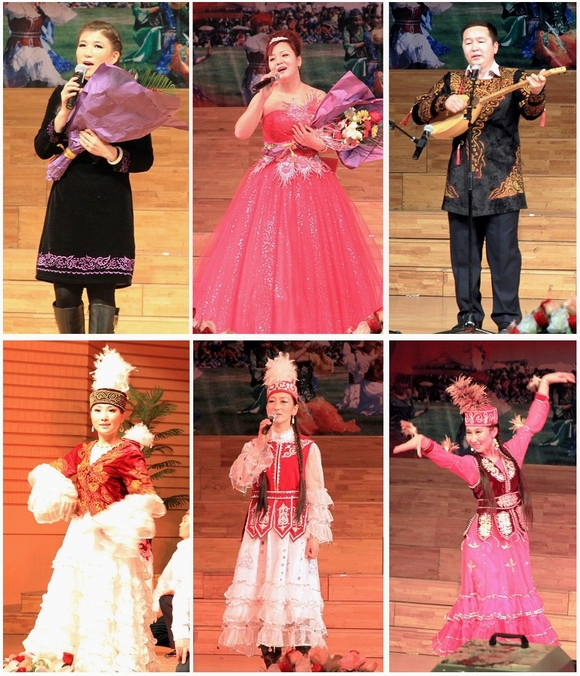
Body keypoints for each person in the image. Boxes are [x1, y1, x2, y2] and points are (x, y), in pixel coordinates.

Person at [193, 29, 382, 334]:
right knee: (269, 254)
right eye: (272, 58)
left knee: (312, 256)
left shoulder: (319, 98)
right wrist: (261, 96)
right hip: (270, 183)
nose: (278, 61)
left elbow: (335, 142)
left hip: (312, 184)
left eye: (284, 55)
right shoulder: (266, 96)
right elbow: (241, 132)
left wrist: (317, 143)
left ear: (298, 60)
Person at [393, 371, 575, 655]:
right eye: (469, 432)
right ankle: (484, 659)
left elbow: (531, 426)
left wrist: (545, 385)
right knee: (491, 598)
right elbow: (448, 460)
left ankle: (508, 657)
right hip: (485, 542)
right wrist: (425, 444)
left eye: (479, 432)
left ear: (494, 431)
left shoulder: (513, 452)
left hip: (514, 538)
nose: (473, 438)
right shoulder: (471, 465)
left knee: (512, 597)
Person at [23, 346, 166, 671]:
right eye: (98, 409)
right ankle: (65, 663)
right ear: (91, 414)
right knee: (73, 600)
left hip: (111, 541)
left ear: (122, 415)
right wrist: (67, 494)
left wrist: (110, 521)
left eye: (111, 410)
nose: (104, 416)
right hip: (80, 538)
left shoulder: (128, 452)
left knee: (106, 604)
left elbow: (145, 495)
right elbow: (50, 472)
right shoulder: (83, 451)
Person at [411, 21, 547, 333]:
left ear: (495, 46)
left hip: (502, 182)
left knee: (504, 258)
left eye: (481, 41)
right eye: (468, 42)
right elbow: (418, 112)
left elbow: (531, 112)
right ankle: (468, 319)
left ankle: (507, 321)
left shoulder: (514, 78)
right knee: (464, 259)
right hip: (462, 184)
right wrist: (443, 101)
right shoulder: (454, 80)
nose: (474, 47)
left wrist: (537, 92)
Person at [34, 21, 155, 334]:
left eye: (97, 46)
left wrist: (109, 152)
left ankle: (100, 355)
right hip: (68, 201)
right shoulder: (63, 93)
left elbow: (144, 159)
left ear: (113, 57)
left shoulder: (131, 98)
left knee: (102, 290)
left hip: (108, 202)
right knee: (64, 292)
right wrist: (62, 114)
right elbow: (42, 148)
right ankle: (72, 350)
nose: (87, 52)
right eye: (83, 45)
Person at [218, 353, 333, 666]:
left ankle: (299, 664)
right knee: (263, 597)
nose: (277, 407)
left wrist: (315, 536)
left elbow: (316, 494)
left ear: (295, 408)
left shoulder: (308, 448)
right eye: (272, 402)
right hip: (261, 532)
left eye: (284, 402)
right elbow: (241, 480)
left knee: (295, 597)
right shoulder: (255, 445)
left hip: (294, 531)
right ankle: (270, 664)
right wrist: (259, 445)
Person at [152, 510, 191, 657]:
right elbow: (164, 579)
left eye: (185, 520)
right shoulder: (180, 550)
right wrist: (154, 608)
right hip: (178, 601)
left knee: (166, 599)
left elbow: (187, 583)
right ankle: (179, 642)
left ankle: (183, 646)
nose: (180, 524)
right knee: (152, 632)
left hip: (186, 603)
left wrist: (174, 589)